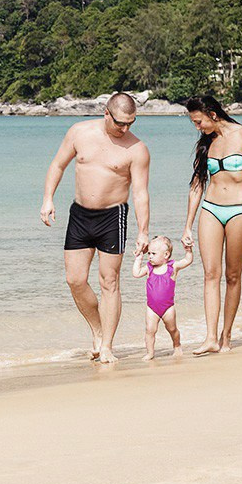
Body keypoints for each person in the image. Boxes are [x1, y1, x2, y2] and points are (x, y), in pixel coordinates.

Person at [41, 93, 151, 363]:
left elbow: (140, 193)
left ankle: (108, 347)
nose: (125, 129)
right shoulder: (79, 132)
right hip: (79, 215)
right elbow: (58, 165)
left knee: (109, 282)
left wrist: (143, 231)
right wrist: (47, 199)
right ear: (106, 113)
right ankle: (97, 329)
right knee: (75, 280)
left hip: (113, 217)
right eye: (120, 123)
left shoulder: (137, 149)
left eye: (130, 123)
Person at [180, 95, 242, 355]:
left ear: (213, 115)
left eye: (198, 121)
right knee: (210, 274)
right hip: (210, 210)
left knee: (232, 276)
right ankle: (210, 338)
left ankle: (226, 336)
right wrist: (187, 224)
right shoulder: (207, 142)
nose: (197, 127)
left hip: (241, 211)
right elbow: (197, 185)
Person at [131, 236, 193, 360]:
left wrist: (188, 250)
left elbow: (187, 261)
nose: (150, 256)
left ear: (166, 254)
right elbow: (136, 273)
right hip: (152, 308)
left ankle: (177, 345)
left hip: (168, 308)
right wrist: (139, 258)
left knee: (172, 329)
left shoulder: (172, 267)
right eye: (149, 253)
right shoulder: (149, 268)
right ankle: (150, 352)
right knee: (150, 330)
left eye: (153, 253)